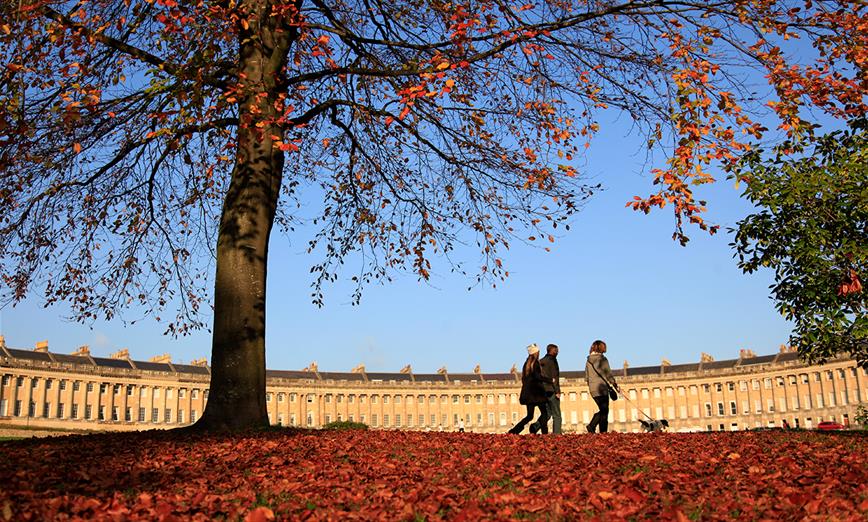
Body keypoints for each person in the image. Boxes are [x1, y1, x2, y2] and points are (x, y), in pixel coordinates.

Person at [508, 343, 550, 434]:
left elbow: (525, 379)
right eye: (538, 352)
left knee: (529, 416)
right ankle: (545, 434)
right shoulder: (535, 364)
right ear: (535, 353)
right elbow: (537, 377)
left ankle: (514, 431)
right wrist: (549, 380)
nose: (539, 353)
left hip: (529, 394)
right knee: (544, 414)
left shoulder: (526, 364)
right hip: (537, 393)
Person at [585, 339, 617, 433]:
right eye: (604, 346)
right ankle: (597, 429)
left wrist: (592, 386)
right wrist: (614, 384)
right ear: (600, 348)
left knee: (603, 410)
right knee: (604, 411)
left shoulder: (588, 360)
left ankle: (594, 427)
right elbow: (608, 373)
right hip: (602, 388)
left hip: (593, 389)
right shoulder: (602, 359)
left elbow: (587, 377)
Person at [531, 343, 561, 434]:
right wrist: (557, 391)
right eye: (556, 350)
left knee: (547, 413)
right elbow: (554, 377)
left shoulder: (541, 361)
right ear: (552, 351)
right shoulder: (552, 361)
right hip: (551, 390)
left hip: (542, 390)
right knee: (557, 414)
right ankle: (557, 434)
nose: (558, 352)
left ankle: (535, 427)